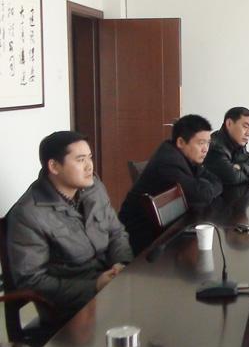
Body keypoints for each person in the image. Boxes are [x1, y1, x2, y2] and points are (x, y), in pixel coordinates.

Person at [7, 131, 133, 322]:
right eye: (80, 160)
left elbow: (116, 232)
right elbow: (32, 280)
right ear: (54, 166)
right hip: (71, 308)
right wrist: (94, 286)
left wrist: (121, 263)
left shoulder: (94, 187)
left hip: (112, 288)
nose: (89, 166)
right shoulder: (29, 214)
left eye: (90, 158)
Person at [119, 114, 223, 255]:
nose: (205, 149)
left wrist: (206, 187)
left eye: (208, 143)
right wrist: (207, 187)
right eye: (200, 143)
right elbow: (202, 195)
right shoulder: (169, 161)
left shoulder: (187, 156)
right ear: (181, 142)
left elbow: (217, 181)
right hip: (142, 240)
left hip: (167, 230)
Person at [204, 107, 249, 185]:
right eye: (245, 127)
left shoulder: (238, 144)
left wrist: (240, 167)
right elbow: (233, 177)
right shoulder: (214, 146)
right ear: (229, 124)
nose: (248, 133)